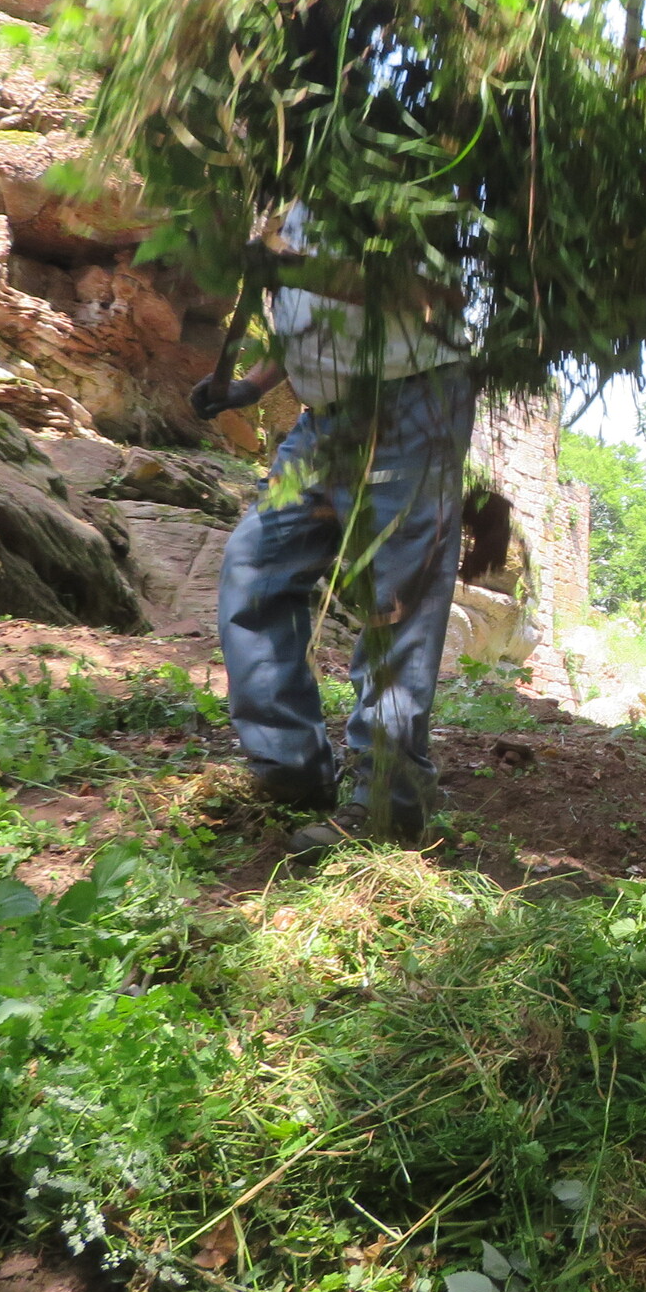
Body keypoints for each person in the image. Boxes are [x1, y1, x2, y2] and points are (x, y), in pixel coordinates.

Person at [193, 206, 472, 857]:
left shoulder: (412, 183)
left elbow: (431, 295)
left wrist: (296, 269)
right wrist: (249, 386)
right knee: (256, 565)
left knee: (396, 596)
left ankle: (390, 801)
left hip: (411, 404)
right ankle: (290, 768)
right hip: (323, 421)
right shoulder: (302, 200)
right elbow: (310, 320)